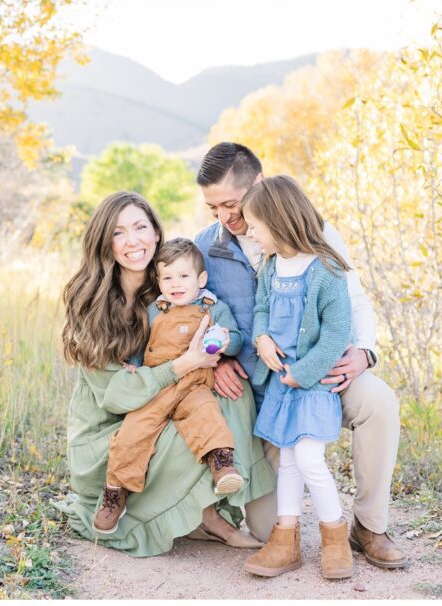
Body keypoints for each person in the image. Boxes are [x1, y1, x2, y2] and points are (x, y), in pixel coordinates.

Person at [193, 142, 406, 568]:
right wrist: (218, 359)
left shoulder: (317, 235)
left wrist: (364, 352)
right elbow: (199, 312)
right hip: (261, 391)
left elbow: (354, 301)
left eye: (232, 204)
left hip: (321, 371)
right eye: (213, 207)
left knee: (378, 401)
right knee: (266, 519)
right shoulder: (205, 248)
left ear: (258, 184)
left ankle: (368, 525)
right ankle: (281, 536)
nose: (225, 217)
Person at [57, 192, 272, 555]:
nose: (133, 241)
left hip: (163, 403)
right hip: (112, 431)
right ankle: (196, 513)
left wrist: (218, 359)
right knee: (190, 417)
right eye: (118, 233)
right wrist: (186, 365)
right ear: (104, 242)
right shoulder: (90, 301)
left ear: (156, 233)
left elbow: (206, 329)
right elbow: (117, 396)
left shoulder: (170, 285)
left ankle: (210, 501)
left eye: (141, 227)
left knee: (231, 391)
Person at [237, 176, 356, 579]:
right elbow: (261, 311)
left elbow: (338, 333)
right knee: (287, 461)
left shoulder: (326, 269)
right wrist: (262, 338)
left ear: (278, 221)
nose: (250, 233)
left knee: (308, 459)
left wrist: (301, 375)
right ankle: (285, 539)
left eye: (254, 226)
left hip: (311, 385)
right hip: (280, 383)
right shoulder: (271, 267)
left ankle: (334, 536)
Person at [93, 237, 246, 534]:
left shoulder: (214, 307)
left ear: (200, 279)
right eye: (167, 277)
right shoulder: (155, 309)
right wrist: (135, 363)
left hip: (194, 385)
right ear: (158, 280)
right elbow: (143, 343)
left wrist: (227, 343)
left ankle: (222, 463)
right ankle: (116, 492)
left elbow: (237, 339)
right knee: (134, 430)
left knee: (205, 412)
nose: (175, 284)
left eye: (183, 276)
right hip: (160, 384)